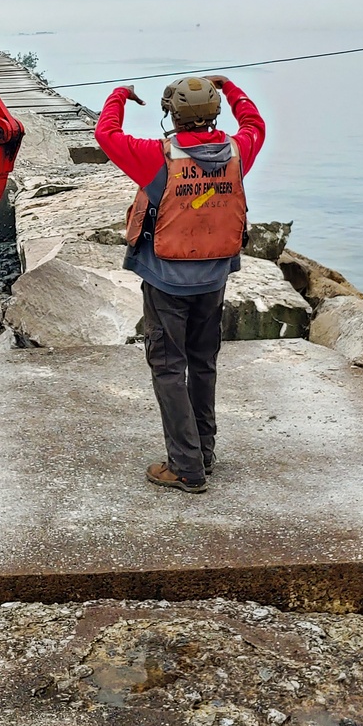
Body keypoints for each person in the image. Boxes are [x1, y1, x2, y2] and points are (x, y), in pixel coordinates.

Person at [95, 75, 266, 494]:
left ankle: (186, 467)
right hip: (215, 279)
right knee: (204, 362)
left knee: (169, 368)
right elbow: (255, 123)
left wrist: (119, 96)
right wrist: (229, 87)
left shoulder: (157, 158)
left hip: (166, 282)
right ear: (214, 113)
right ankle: (203, 451)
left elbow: (105, 133)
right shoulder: (238, 151)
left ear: (171, 114)